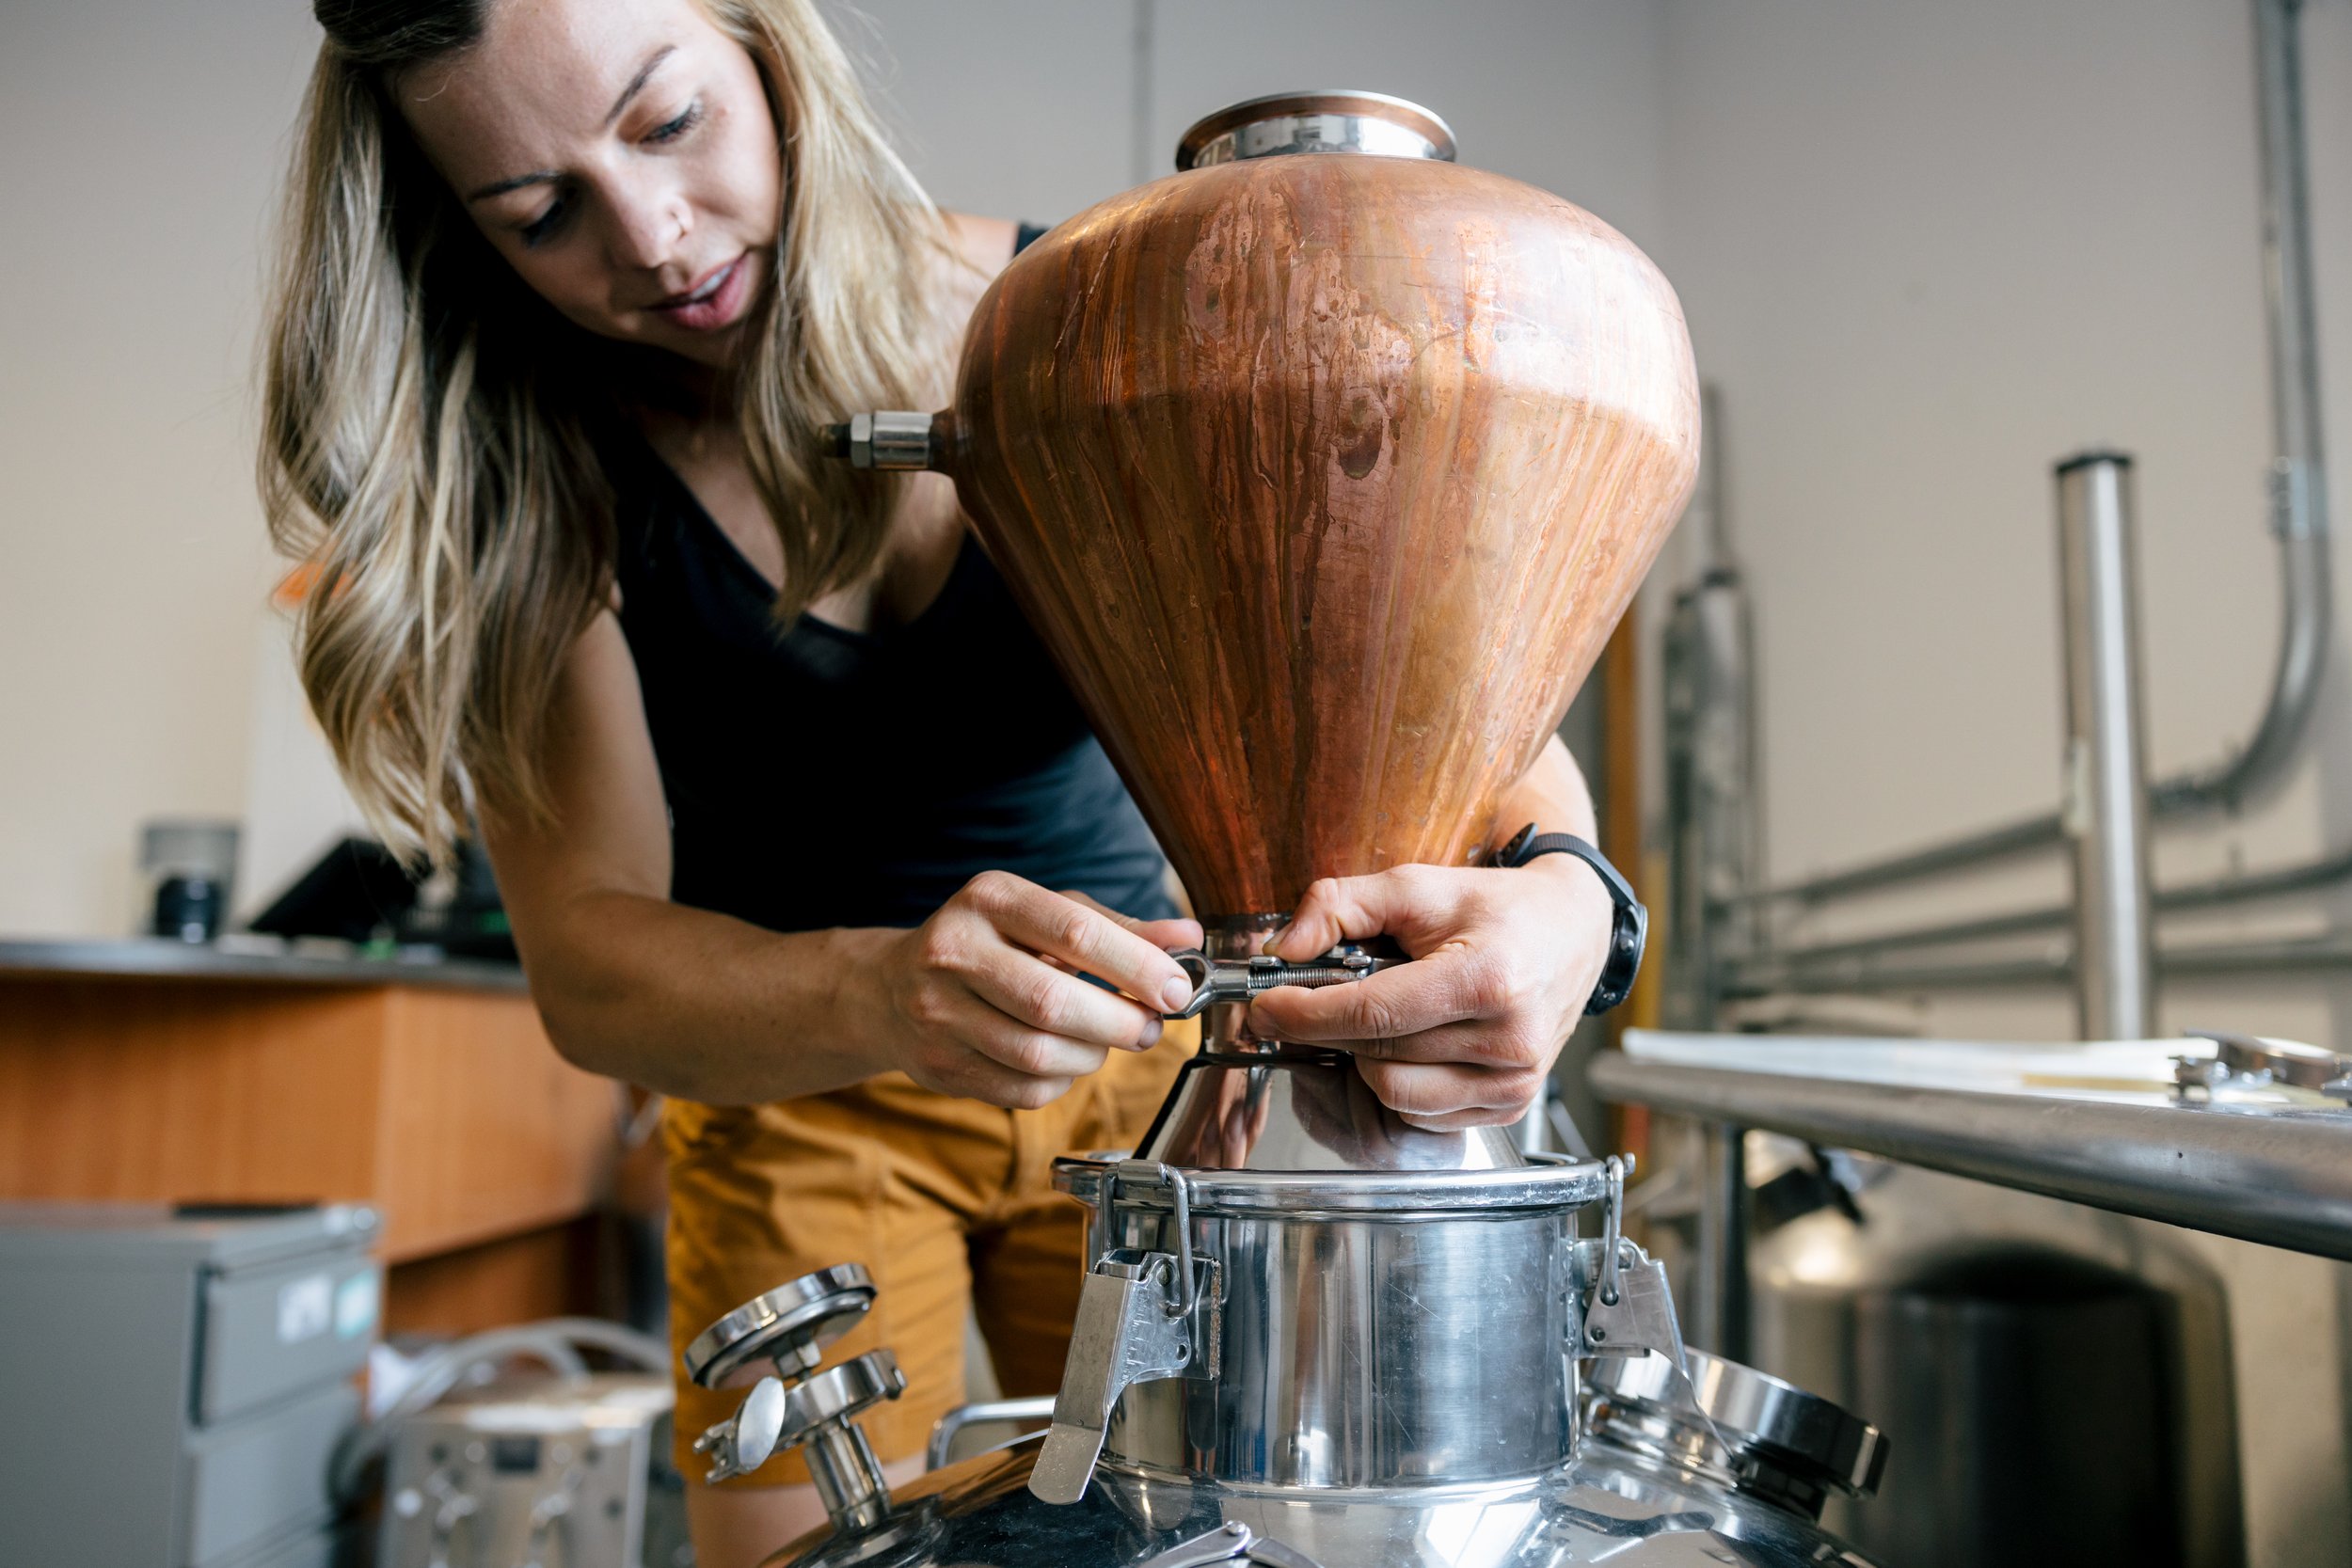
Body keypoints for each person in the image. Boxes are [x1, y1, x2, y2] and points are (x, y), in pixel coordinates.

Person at [261, 1, 1616, 1561]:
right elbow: (592, 964)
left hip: (1162, 1086)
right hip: (799, 1103)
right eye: (540, 213)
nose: (650, 239)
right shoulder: (537, 474)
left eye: (666, 122)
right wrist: (888, 990)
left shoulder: (1107, 330)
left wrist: (1572, 906)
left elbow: (1471, 731)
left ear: (769, 53)